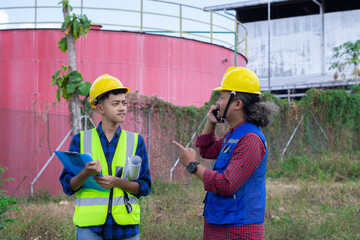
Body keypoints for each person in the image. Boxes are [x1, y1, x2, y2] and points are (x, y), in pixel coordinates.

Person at [173, 67, 279, 240]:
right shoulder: (235, 133)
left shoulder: (250, 139)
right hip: (222, 221)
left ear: (237, 104)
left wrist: (193, 166)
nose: (217, 103)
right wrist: (211, 122)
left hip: (239, 229)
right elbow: (207, 150)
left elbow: (227, 184)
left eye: (222, 97)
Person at [59, 74, 151, 240]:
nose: (122, 108)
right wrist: (85, 173)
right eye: (115, 104)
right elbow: (68, 186)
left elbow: (145, 187)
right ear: (100, 108)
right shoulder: (80, 140)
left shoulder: (136, 141)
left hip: (126, 229)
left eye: (124, 103)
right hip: (90, 229)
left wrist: (117, 182)